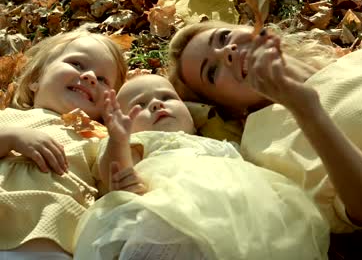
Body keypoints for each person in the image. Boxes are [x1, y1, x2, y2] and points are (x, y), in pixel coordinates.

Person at [167, 20, 362, 260]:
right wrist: (307, 111)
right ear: (229, 106)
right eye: (213, 71)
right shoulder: (267, 144)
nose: (227, 52)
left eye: (222, 37)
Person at [73, 74, 331, 260]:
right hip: (173, 213)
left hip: (246, 216)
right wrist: (119, 141)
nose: (155, 104)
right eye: (138, 105)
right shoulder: (145, 141)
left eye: (167, 97)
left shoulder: (218, 143)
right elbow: (113, 172)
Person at [0, 29, 128, 259]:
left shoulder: (97, 136)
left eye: (102, 79)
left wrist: (118, 140)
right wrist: (11, 137)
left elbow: (115, 184)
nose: (89, 76)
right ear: (36, 79)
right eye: (77, 64)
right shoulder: (7, 117)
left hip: (48, 237)